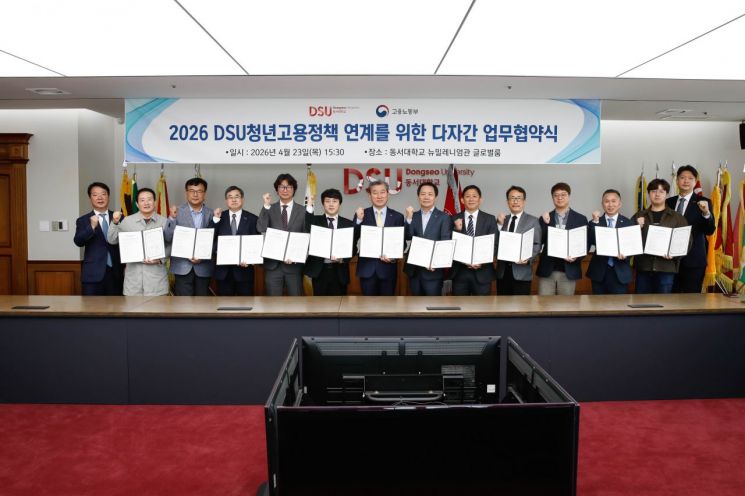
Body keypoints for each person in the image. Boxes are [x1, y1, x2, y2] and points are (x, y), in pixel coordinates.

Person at [107, 188, 170, 296]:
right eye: (142, 200)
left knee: (158, 307)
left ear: (155, 202)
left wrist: (160, 259)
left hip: (157, 282)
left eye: (149, 199)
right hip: (133, 282)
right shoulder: (127, 221)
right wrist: (115, 222)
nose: (146, 203)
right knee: (132, 307)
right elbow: (112, 240)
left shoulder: (164, 222)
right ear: (137, 204)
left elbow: (171, 244)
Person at [633, 178, 688, 294]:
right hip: (644, 268)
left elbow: (687, 241)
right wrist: (636, 227)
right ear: (648, 194)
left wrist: (674, 254)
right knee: (641, 303)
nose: (657, 194)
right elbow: (628, 239)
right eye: (653, 191)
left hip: (666, 268)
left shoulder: (677, 218)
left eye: (661, 191)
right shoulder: (639, 215)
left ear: (667, 194)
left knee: (664, 303)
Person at [666, 165, 715, 293]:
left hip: (694, 259)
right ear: (677, 181)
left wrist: (706, 213)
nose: (686, 181)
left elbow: (710, 230)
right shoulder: (668, 202)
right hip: (670, 260)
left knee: (692, 299)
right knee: (670, 298)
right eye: (682, 177)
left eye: (690, 178)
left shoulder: (704, 202)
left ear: (695, 181)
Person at [257, 173, 307, 296]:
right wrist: (266, 206)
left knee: (296, 302)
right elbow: (260, 227)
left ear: (294, 189)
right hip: (273, 266)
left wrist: (298, 256)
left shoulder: (303, 211)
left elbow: (307, 236)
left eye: (289, 187)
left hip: (294, 266)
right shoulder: (269, 208)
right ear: (277, 190)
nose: (285, 190)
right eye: (281, 187)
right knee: (273, 303)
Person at [164, 177, 214, 296]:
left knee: (202, 303)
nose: (195, 194)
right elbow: (167, 237)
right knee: (183, 304)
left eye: (199, 191)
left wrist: (202, 256)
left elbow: (215, 240)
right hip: (182, 266)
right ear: (186, 193)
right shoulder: (176, 212)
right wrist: (172, 218)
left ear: (205, 194)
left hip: (204, 267)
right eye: (192, 191)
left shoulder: (212, 214)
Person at [536, 183, 588, 295]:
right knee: (544, 304)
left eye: (563, 194)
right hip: (547, 270)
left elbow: (585, 244)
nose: (559, 198)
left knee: (566, 305)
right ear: (552, 198)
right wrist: (544, 223)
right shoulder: (545, 217)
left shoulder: (581, 219)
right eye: (556, 195)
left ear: (569, 196)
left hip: (568, 270)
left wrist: (576, 257)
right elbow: (539, 241)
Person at [355, 180, 405, 296]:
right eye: (375, 192)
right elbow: (353, 237)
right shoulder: (362, 214)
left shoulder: (397, 217)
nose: (379, 196)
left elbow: (402, 243)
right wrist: (358, 220)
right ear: (369, 195)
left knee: (387, 306)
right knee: (367, 305)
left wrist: (393, 257)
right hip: (367, 270)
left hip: (388, 270)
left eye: (382, 192)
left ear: (388, 194)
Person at [403, 182, 453, 296]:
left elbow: (445, 242)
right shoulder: (413, 216)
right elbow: (408, 236)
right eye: (423, 194)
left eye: (430, 194)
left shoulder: (444, 217)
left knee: (432, 304)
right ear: (418, 197)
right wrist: (409, 218)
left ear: (435, 197)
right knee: (415, 304)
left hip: (433, 271)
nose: (426, 197)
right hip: (414, 270)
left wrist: (435, 262)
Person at [73, 182, 123, 295]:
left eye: (103, 194)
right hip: (93, 273)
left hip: (116, 272)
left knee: (117, 305)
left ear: (108, 196)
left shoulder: (119, 217)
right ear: (90, 198)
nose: (100, 198)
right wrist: (91, 227)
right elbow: (78, 241)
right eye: (95, 195)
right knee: (92, 305)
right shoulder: (83, 220)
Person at [304, 188, 357, 296]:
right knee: (319, 304)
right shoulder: (315, 221)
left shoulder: (348, 224)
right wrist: (309, 205)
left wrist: (342, 259)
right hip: (319, 271)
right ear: (323, 204)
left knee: (340, 304)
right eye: (327, 201)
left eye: (334, 201)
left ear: (339, 204)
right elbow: (307, 222)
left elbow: (353, 247)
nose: (331, 204)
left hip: (339, 272)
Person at [210, 186, 259, 296]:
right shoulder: (218, 217)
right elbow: (210, 239)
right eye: (230, 197)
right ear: (226, 201)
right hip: (223, 272)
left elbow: (255, 244)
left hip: (244, 271)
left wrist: (250, 259)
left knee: (246, 304)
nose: (233, 200)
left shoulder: (253, 219)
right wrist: (215, 220)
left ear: (242, 199)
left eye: (237, 196)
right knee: (224, 304)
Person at [450, 184, 497, 296]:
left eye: (474, 196)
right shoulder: (453, 219)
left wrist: (481, 261)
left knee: (482, 306)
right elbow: (448, 244)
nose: (471, 199)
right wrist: (457, 230)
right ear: (462, 200)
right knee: (459, 306)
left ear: (480, 200)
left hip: (483, 272)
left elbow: (494, 244)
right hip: (460, 273)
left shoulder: (490, 219)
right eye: (467, 196)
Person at [496, 186, 542, 295]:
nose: (515, 201)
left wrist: (528, 258)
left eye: (518, 198)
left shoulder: (533, 221)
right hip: (502, 273)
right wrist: (499, 225)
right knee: (502, 304)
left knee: (522, 304)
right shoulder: (502, 220)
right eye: (512, 198)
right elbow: (495, 243)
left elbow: (537, 244)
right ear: (507, 202)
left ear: (524, 201)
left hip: (522, 273)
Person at [586, 189, 633, 294]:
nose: (610, 204)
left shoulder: (629, 223)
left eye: (613, 201)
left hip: (620, 273)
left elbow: (632, 246)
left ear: (619, 204)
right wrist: (595, 222)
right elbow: (591, 241)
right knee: (597, 303)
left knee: (619, 303)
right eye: (607, 201)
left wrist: (626, 255)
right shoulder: (595, 221)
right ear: (602, 204)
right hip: (599, 272)